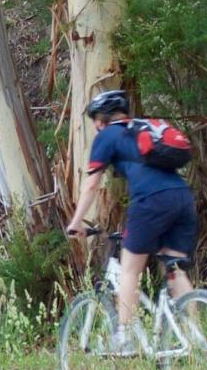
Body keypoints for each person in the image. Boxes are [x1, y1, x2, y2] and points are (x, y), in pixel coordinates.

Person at [65, 89, 196, 355]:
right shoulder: (142, 129)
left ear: (101, 120)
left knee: (129, 270)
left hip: (150, 201)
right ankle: (195, 337)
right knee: (175, 269)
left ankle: (124, 338)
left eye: (95, 121)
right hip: (183, 198)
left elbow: (91, 185)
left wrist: (76, 222)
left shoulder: (107, 135)